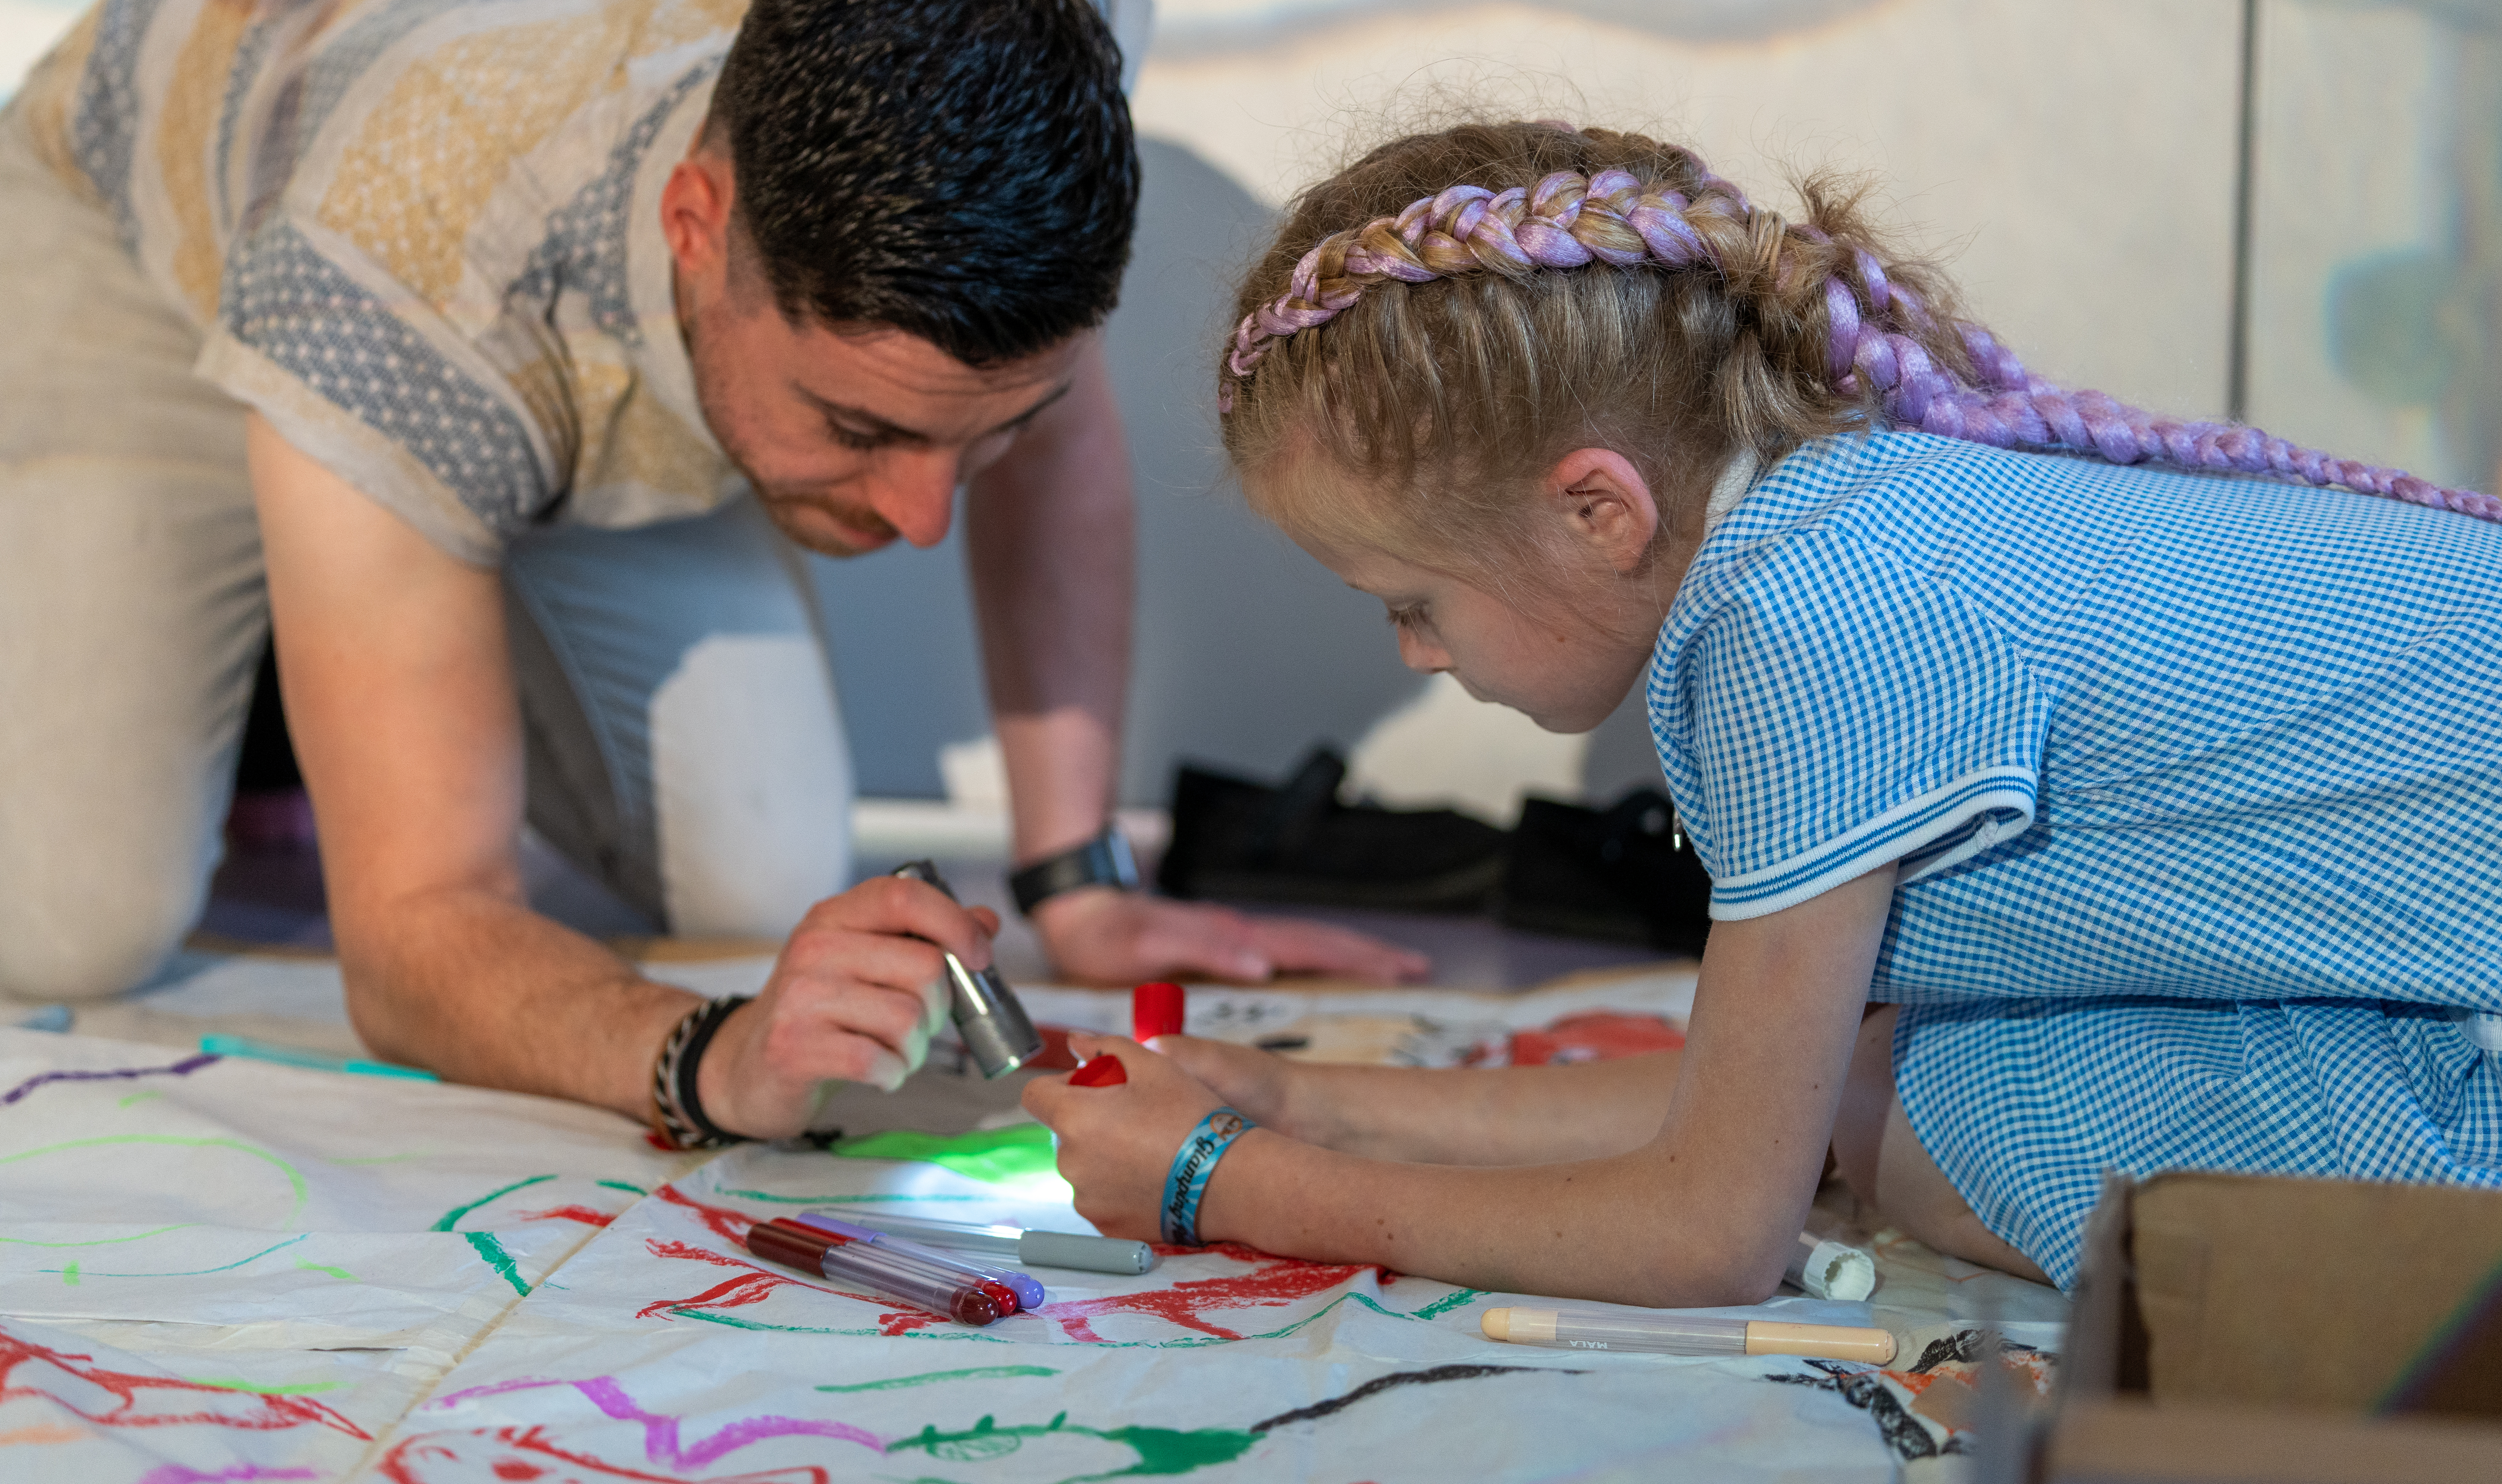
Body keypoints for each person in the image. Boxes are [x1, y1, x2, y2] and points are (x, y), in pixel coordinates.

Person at [0, 0, 1420, 1147]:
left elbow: (1046, 427)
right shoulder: (394, 259)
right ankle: (292, 657)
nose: (921, 519)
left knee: (759, 886)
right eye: (856, 427)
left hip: (511, 252)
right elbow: (415, 930)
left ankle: (376, 566)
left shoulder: (1014, 57)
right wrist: (712, 1057)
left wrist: (1079, 876)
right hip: (146, 202)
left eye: (967, 437)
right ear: (699, 230)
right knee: (75, 919)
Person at [1028, 119, 2502, 1297]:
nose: (1416, 654)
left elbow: (1712, 1224)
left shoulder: (1804, 625)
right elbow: (1762, 1103)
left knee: (1935, 1126)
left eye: (1412, 601)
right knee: (1901, 1090)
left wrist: (1220, 1181)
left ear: (1596, 511)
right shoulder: (1835, 522)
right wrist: (1303, 1103)